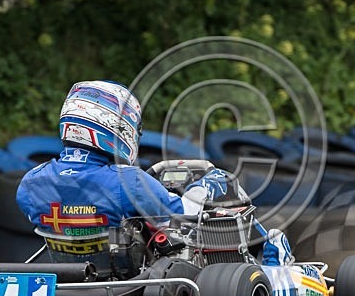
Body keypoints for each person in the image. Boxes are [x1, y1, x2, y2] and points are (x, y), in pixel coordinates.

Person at [16, 80, 293, 265]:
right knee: (204, 222)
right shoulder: (129, 182)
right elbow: (185, 211)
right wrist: (207, 185)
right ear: (116, 127)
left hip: (71, 277)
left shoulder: (31, 182)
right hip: (128, 278)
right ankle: (271, 257)